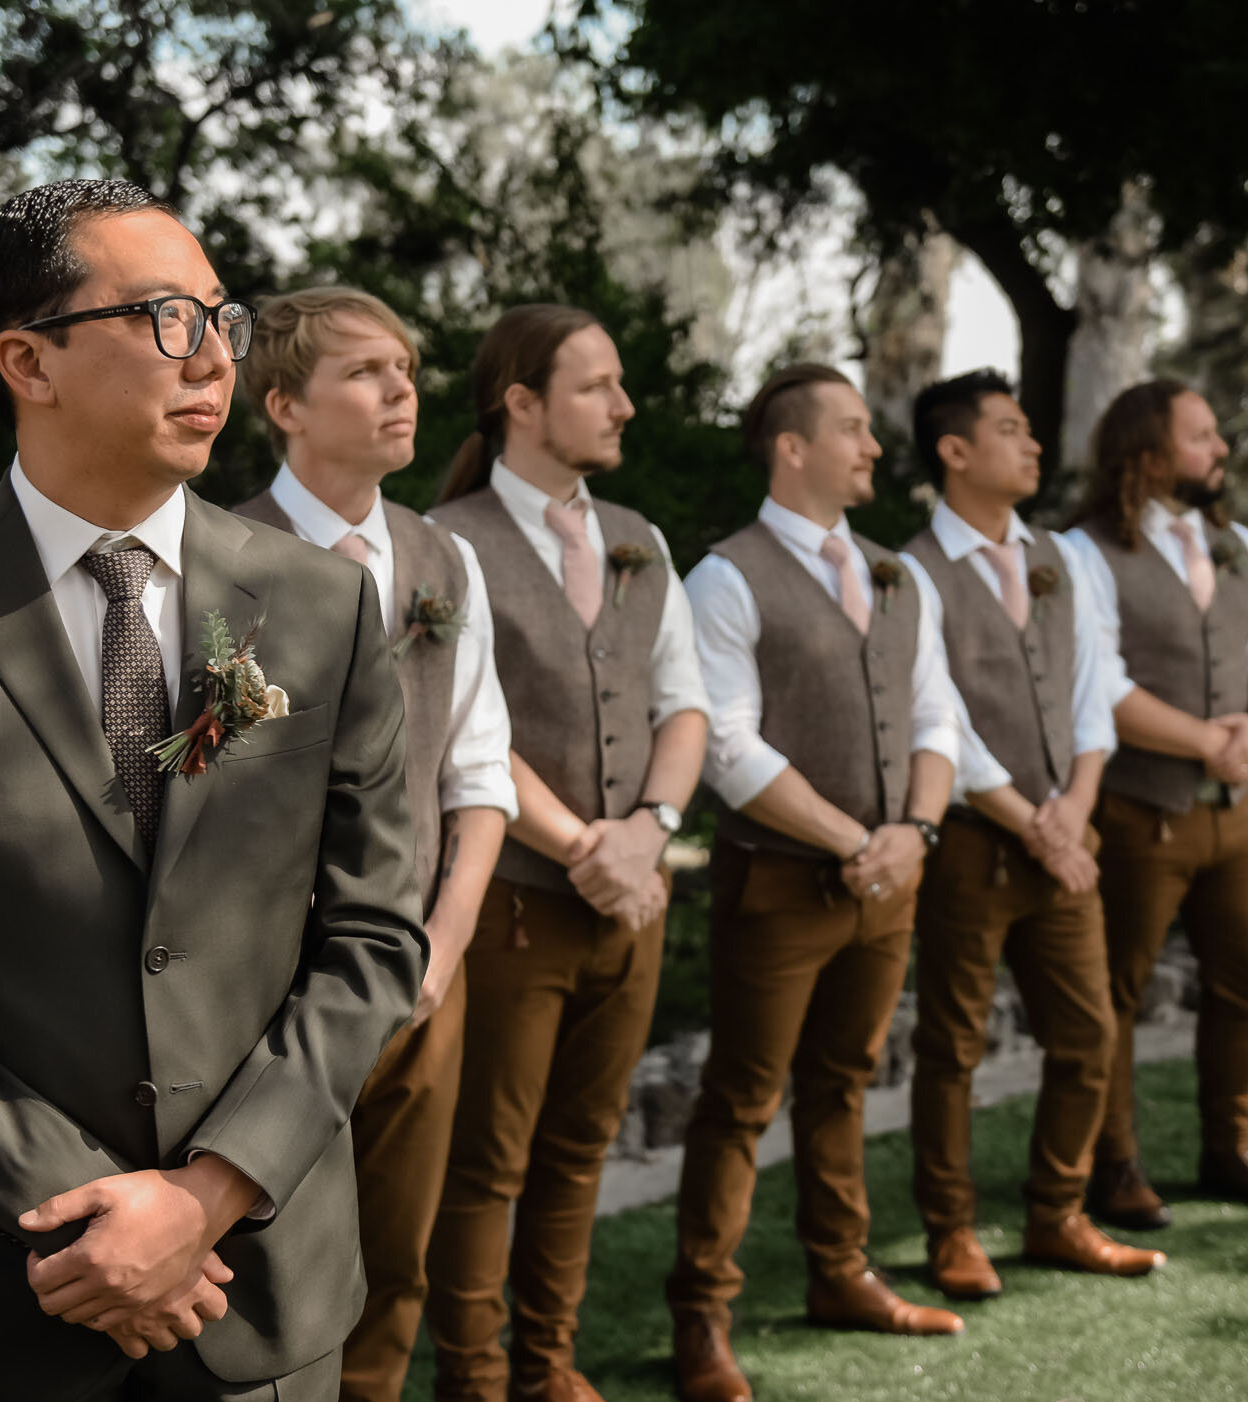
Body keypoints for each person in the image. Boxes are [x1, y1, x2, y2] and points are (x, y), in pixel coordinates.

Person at [0, 180, 426, 1400]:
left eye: (221, 319)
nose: (215, 357)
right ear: (28, 360)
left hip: (258, 1290)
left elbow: (376, 932)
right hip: (5, 1293)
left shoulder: (323, 604)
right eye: (166, 318)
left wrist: (208, 1193)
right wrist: (85, 1212)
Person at [229, 286, 517, 1402]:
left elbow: (479, 771)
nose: (402, 391)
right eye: (366, 372)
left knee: (397, 1257)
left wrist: (442, 947)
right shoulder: (216, 552)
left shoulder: (445, 556)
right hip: (262, 987)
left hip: (424, 970)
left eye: (405, 369)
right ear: (285, 405)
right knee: (266, 1263)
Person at [424, 304, 710, 1402]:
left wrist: (649, 832)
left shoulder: (640, 536)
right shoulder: (445, 542)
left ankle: (548, 1368)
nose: (624, 406)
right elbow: (458, 720)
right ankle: (476, 1379)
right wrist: (586, 844)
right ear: (522, 403)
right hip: (510, 903)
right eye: (597, 386)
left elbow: (685, 707)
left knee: (582, 1146)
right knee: (486, 1160)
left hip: (634, 901)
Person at [669, 364, 966, 1402]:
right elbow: (727, 746)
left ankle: (841, 1272)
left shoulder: (900, 575)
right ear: (792, 448)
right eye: (852, 429)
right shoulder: (726, 577)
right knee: (742, 1099)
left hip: (889, 881)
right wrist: (859, 841)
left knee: (845, 1080)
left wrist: (915, 833)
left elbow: (937, 717)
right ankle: (702, 1316)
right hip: (779, 886)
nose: (874, 447)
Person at [897, 370, 1165, 1296]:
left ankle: (1058, 1213)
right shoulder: (913, 572)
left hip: (1066, 833)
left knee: (1089, 1032)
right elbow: (939, 715)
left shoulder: (1062, 558)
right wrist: (1030, 822)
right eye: (1010, 429)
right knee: (953, 1047)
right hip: (972, 841)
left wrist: (1076, 811)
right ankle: (951, 1232)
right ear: (955, 451)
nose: (1033, 444)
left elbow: (1092, 689)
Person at [1064, 379, 1248, 1233]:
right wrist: (1207, 740)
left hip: (1240, 814)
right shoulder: (1084, 553)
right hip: (1138, 810)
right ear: (1147, 454)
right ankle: (1114, 1166)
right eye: (1202, 436)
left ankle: (1232, 1152)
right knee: (1116, 990)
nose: (1220, 450)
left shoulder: (1237, 544)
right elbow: (1099, 686)